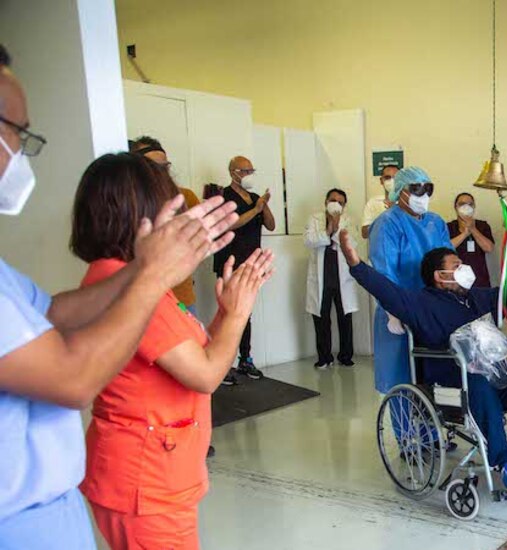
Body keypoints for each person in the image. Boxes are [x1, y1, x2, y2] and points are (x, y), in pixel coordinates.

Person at [0, 44, 238, 549]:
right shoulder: (136, 286)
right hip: (134, 486)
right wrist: (224, 304)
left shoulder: (115, 278)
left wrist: (153, 267)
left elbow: (50, 311)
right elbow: (77, 381)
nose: (21, 152)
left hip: (85, 498)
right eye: (15, 133)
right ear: (138, 211)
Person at [71, 153, 275, 549]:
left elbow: (191, 352)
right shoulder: (130, 285)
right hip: (146, 482)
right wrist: (238, 314)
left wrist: (226, 313)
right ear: (138, 215)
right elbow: (205, 374)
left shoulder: (134, 277)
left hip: (153, 474)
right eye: (173, 212)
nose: (183, 225)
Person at [341, 236, 507, 495]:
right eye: (457, 265)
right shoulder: (421, 303)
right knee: (478, 382)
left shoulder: (476, 298)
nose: (465, 270)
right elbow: (387, 291)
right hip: (451, 382)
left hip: (488, 374)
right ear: (439, 276)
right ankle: (506, 463)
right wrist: (356, 265)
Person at [369, 166, 451, 395]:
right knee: (402, 378)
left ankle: (430, 430)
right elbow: (384, 271)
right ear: (400, 191)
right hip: (401, 310)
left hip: (434, 311)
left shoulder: (436, 222)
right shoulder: (387, 223)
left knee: (435, 378)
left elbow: (449, 261)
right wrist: (393, 311)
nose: (422, 195)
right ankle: (405, 431)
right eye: (415, 189)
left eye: (428, 189)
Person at [214, 155, 274, 384]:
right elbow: (232, 223)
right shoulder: (224, 197)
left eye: (252, 170)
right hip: (230, 261)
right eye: (245, 170)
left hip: (251, 262)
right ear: (233, 172)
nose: (250, 175)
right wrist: (255, 209)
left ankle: (245, 358)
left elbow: (271, 224)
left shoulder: (256, 198)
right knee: (227, 311)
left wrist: (263, 206)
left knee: (245, 313)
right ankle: (222, 362)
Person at [131, 136, 202, 317]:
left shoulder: (185, 197)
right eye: (153, 167)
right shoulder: (129, 203)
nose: (161, 173)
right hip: (143, 301)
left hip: (182, 298)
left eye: (165, 167)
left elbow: (202, 237)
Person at [305, 188, 359, 368]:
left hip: (342, 278)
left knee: (345, 319)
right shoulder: (314, 219)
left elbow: (352, 243)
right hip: (321, 279)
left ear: (344, 206)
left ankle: (345, 356)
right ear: (325, 202)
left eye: (340, 202)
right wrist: (328, 230)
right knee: (321, 319)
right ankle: (324, 357)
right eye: (332, 200)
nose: (335, 204)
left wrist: (335, 229)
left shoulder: (348, 221)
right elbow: (309, 241)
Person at [447, 192, 494, 288]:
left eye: (470, 204)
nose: (466, 207)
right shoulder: (448, 227)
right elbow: (446, 247)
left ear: (474, 207)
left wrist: (473, 229)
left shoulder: (483, 226)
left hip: (480, 278)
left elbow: (489, 248)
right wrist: (465, 234)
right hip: (455, 279)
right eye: (462, 204)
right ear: (455, 207)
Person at [361, 164, 398, 239]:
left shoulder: (408, 203)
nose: (392, 181)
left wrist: (396, 212)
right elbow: (364, 234)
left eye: (396, 178)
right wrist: (383, 219)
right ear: (381, 181)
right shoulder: (373, 203)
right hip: (379, 249)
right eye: (387, 177)